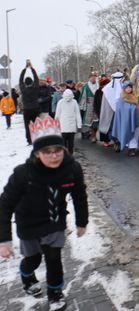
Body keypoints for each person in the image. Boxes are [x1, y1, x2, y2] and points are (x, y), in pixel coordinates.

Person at [0, 115, 88, 311]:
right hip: (28, 223)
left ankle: (55, 293)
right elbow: (5, 205)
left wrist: (82, 221)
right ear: (37, 153)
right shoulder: (23, 174)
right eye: (47, 152)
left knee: (54, 258)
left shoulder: (72, 169)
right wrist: (4, 239)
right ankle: (27, 275)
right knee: (33, 259)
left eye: (58, 150)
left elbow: (79, 196)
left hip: (54, 221)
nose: (54, 156)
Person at [111, 81, 139, 156]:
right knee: (127, 132)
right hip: (126, 120)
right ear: (124, 88)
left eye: (130, 87)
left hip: (135, 118)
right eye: (127, 87)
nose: (129, 89)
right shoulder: (122, 98)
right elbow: (120, 110)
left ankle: (132, 148)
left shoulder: (136, 96)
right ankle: (129, 148)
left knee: (135, 133)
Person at [54, 89, 82, 155]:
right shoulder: (74, 102)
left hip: (64, 125)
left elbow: (57, 114)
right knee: (70, 142)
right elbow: (77, 114)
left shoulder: (61, 102)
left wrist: (56, 125)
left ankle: (65, 154)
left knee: (64, 142)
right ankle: (69, 154)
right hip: (70, 126)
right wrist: (79, 125)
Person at [19, 61, 41, 145]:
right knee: (36, 124)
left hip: (26, 110)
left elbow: (20, 79)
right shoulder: (35, 87)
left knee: (27, 126)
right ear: (32, 82)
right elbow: (36, 78)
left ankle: (29, 140)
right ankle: (37, 138)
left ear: (25, 83)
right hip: (35, 108)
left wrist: (25, 69)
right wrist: (31, 68)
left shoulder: (23, 89)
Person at [79, 72, 99, 142]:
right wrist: (82, 106)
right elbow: (83, 97)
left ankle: (94, 135)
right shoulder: (86, 86)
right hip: (89, 106)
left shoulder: (98, 85)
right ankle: (91, 135)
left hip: (97, 105)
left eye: (95, 76)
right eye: (92, 77)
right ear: (89, 78)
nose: (93, 78)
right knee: (89, 121)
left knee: (96, 122)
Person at [93, 76, 111, 147]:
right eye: (104, 84)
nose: (106, 85)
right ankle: (105, 140)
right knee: (103, 125)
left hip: (109, 111)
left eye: (107, 84)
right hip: (101, 111)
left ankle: (112, 139)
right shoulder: (98, 92)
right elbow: (95, 103)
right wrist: (98, 112)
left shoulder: (110, 91)